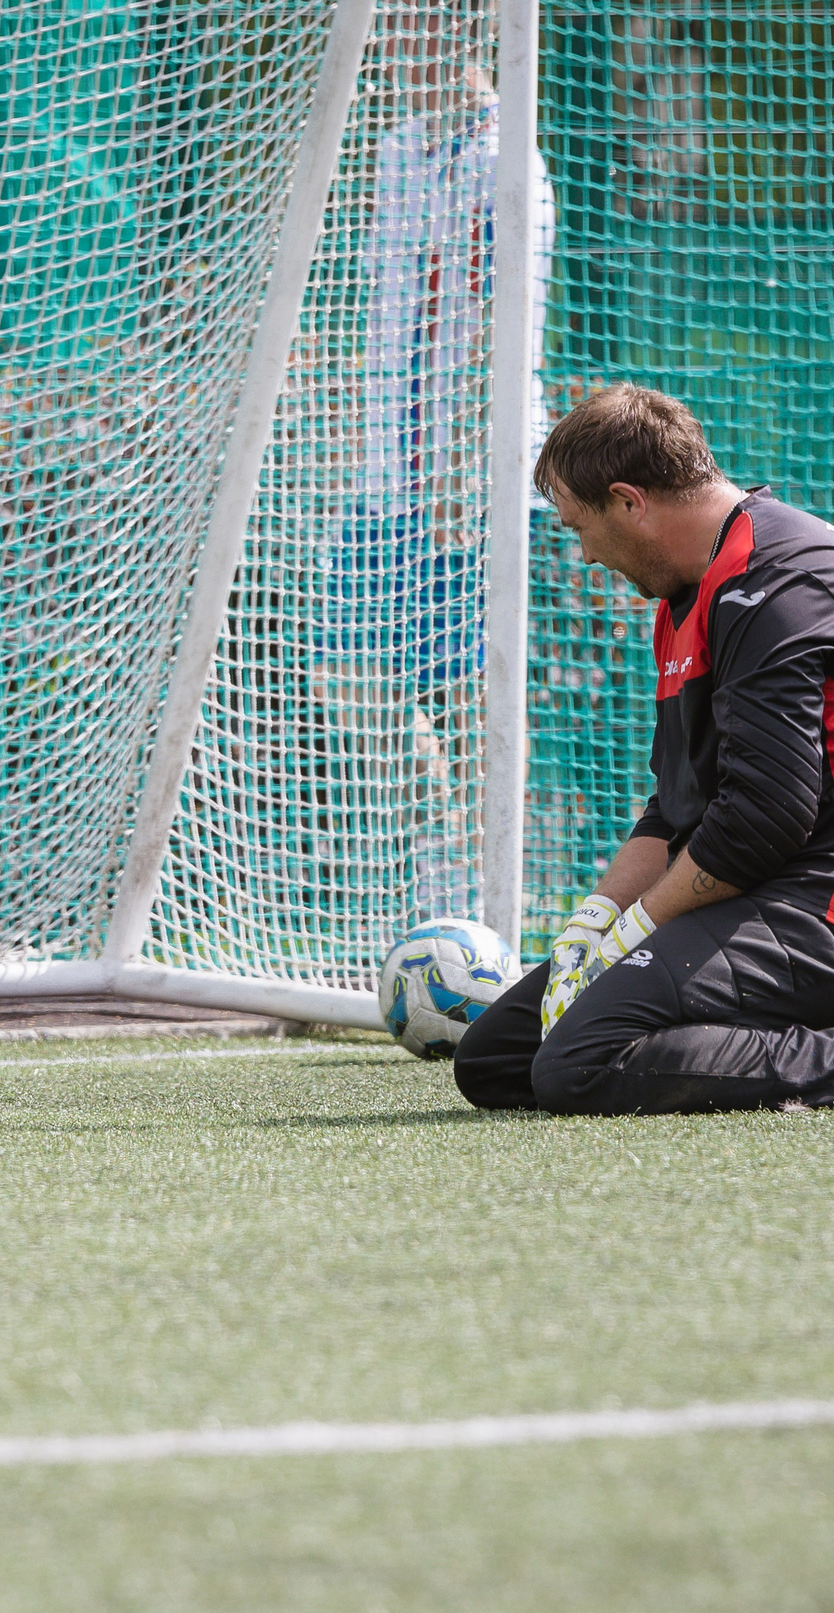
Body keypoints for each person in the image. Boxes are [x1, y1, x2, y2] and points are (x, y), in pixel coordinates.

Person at [453, 385, 834, 1114]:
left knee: (578, 1065)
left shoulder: (782, 580)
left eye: (579, 528)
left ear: (628, 502)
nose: (586, 555)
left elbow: (763, 819)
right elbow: (675, 808)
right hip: (751, 897)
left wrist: (638, 927)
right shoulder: (688, 593)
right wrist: (591, 924)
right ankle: (789, 1034)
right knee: (496, 1061)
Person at [319, 0, 556, 923]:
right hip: (384, 476)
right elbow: (384, 310)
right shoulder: (396, 151)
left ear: (464, 30)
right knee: (349, 676)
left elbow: (500, 324)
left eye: (413, 21)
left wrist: (468, 469)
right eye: (390, 22)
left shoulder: (505, 157)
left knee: (468, 698)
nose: (392, 41)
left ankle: (489, 908)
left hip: (466, 481)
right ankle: (442, 876)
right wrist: (354, 427)